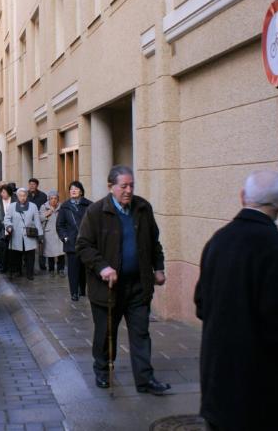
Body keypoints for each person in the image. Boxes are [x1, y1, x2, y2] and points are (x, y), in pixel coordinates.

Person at [195, 170, 278, 430]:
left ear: (243, 197)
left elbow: (201, 304)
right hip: (260, 392)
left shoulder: (218, 240)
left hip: (218, 382)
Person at [77, 165, 169, 395]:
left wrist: (158, 268)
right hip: (108, 288)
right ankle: (102, 370)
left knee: (141, 333)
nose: (128, 190)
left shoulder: (142, 208)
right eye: (124, 186)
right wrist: (103, 267)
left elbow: (154, 242)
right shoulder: (97, 212)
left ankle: (145, 380)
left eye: (131, 185)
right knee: (106, 333)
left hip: (138, 285)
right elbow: (83, 246)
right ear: (111, 187)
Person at [3, 188, 43, 280]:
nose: (23, 198)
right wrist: (9, 226)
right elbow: (7, 219)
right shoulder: (12, 206)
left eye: (24, 195)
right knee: (16, 255)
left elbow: (37, 221)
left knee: (30, 255)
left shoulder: (33, 206)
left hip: (29, 235)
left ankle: (30, 273)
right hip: (16, 234)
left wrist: (40, 234)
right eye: (20, 196)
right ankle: (18, 271)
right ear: (17, 196)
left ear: (27, 196)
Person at [40, 190, 65, 277]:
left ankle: (61, 269)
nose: (53, 200)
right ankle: (51, 270)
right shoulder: (44, 207)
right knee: (50, 253)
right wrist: (48, 213)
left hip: (60, 233)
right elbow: (40, 218)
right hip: (49, 232)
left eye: (55, 198)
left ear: (58, 199)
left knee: (61, 252)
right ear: (48, 199)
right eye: (51, 198)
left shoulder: (62, 207)